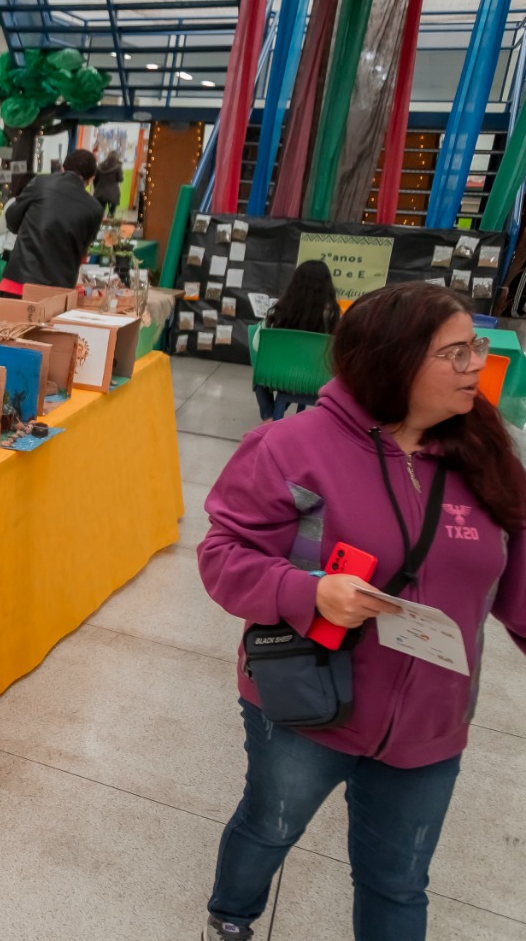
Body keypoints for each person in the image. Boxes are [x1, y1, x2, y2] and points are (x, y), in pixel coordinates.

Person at [198, 282, 526, 941]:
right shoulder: (291, 447)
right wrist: (309, 592)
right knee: (270, 826)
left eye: (477, 349)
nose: (476, 368)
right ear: (395, 361)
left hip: (431, 724)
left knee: (399, 883)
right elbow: (224, 557)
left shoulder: (489, 456)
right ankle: (229, 919)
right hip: (307, 702)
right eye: (456, 354)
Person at [0, 148, 103, 298]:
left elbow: (12, 219)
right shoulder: (95, 208)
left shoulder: (40, 183)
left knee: (5, 321)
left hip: (19, 282)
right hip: (57, 291)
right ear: (91, 178)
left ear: (63, 168)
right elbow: (83, 251)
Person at [252, 259, 342, 421]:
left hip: (283, 375)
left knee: (260, 373)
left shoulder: (279, 312)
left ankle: (269, 417)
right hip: (319, 380)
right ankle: (273, 418)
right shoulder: (334, 316)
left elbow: (257, 346)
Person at [94, 149, 124, 218]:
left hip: (100, 192)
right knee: (111, 214)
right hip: (113, 193)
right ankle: (109, 227)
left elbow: (95, 180)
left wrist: (97, 188)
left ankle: (99, 227)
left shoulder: (100, 165)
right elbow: (120, 179)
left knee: (99, 214)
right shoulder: (118, 167)